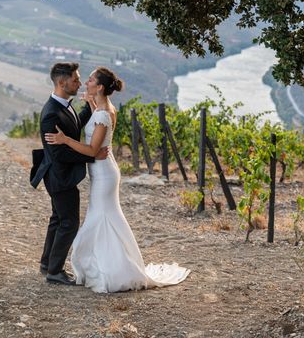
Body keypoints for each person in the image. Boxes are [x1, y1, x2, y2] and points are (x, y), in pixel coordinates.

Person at [45, 66, 190, 293]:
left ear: (100, 86)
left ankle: (109, 269)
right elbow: (97, 133)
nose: (85, 82)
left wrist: (65, 140)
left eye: (90, 80)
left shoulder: (104, 113)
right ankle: (107, 264)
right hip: (103, 169)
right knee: (106, 216)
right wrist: (91, 105)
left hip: (104, 173)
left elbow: (93, 150)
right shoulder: (103, 110)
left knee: (100, 217)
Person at [34, 62, 109, 285]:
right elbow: (59, 155)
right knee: (69, 223)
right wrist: (92, 155)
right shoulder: (51, 114)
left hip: (60, 175)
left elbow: (73, 128)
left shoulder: (64, 104)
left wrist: (89, 108)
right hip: (60, 176)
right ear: (61, 82)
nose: (79, 82)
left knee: (57, 219)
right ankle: (55, 271)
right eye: (75, 79)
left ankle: (47, 263)